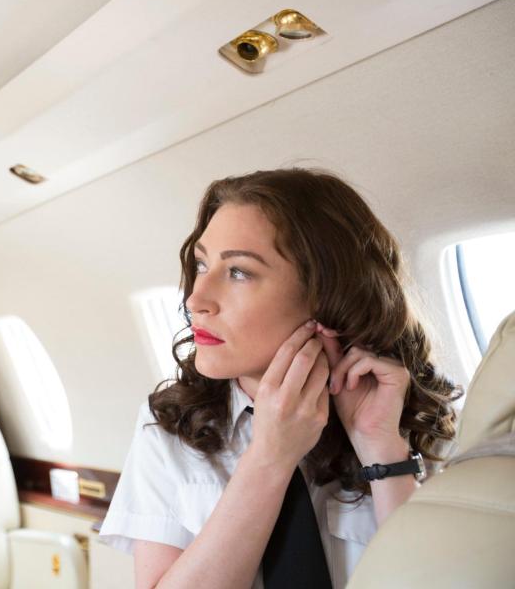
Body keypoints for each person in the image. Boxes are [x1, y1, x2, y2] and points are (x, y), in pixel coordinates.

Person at [98, 169, 460, 588]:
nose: (196, 299)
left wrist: (381, 448)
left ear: (327, 294)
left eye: (237, 272)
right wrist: (270, 455)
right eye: (201, 264)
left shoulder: (416, 415)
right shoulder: (168, 426)